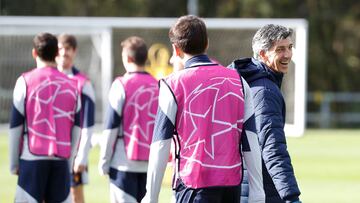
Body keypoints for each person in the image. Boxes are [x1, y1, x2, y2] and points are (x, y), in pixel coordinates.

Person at [142, 15, 265, 203]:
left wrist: (151, 195)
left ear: (176, 49)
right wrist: (258, 191)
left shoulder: (172, 85)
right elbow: (250, 139)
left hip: (192, 184)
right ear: (207, 43)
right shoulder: (239, 81)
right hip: (231, 186)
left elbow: (160, 143)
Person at [228, 24, 302, 203]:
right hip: (261, 190)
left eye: (290, 48)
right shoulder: (264, 91)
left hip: (245, 186)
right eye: (280, 49)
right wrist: (291, 196)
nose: (288, 55)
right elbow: (272, 148)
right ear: (262, 54)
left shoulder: (250, 81)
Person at [9, 32, 81, 203]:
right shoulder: (73, 85)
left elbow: (15, 126)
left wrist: (14, 163)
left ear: (34, 53)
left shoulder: (24, 81)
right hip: (61, 161)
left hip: (31, 158)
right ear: (57, 54)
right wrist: (69, 161)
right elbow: (77, 128)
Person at [98, 36, 159, 203]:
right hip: (151, 164)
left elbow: (111, 126)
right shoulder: (159, 85)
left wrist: (104, 161)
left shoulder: (121, 85)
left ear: (128, 58)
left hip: (123, 163)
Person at [56, 33, 96, 203]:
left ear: (74, 51)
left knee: (75, 194)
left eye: (68, 49)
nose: (64, 52)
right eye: (60, 48)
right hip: (49, 150)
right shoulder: (47, 80)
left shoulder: (82, 83)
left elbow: (88, 123)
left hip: (73, 151)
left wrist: (82, 155)